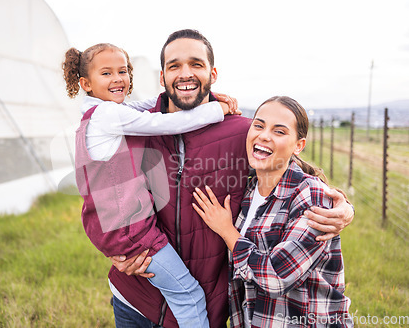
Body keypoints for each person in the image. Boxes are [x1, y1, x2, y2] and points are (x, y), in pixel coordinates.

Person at [109, 29, 355, 328]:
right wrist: (113, 247)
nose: (185, 73)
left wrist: (342, 208)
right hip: (136, 299)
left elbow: (285, 164)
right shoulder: (133, 128)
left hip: (204, 307)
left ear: (212, 73)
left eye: (196, 64)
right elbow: (102, 194)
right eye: (174, 66)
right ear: (162, 77)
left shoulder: (242, 132)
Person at [63, 43, 240, 327]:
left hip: (116, 224)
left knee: (181, 292)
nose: (117, 78)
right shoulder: (108, 116)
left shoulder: (99, 112)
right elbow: (164, 123)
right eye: (106, 73)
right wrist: (216, 109)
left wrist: (208, 96)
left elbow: (147, 106)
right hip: (131, 228)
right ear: (86, 83)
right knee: (189, 295)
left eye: (123, 71)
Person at [193, 96, 353, 327]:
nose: (264, 135)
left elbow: (276, 277)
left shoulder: (310, 195)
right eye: (258, 125)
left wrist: (227, 231)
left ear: (299, 145)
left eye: (279, 131)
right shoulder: (247, 190)